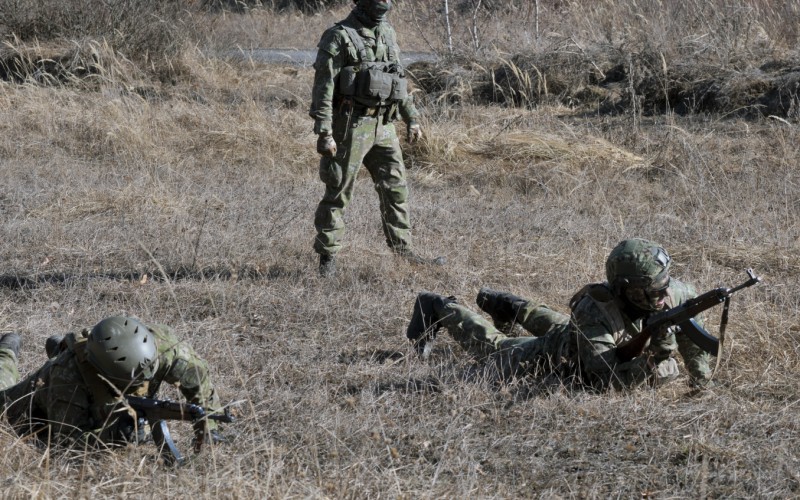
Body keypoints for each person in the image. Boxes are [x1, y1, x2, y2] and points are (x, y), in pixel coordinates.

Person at [405, 238, 715, 390]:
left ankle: (508, 305)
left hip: (587, 334)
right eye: (652, 289)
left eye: (664, 284)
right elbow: (604, 379)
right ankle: (437, 306)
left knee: (564, 325)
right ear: (624, 289)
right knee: (495, 348)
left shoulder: (673, 293)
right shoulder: (594, 311)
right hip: (562, 354)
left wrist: (701, 381)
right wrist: (658, 356)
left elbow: (693, 337)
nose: (663, 295)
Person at [309, 0, 444, 277]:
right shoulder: (338, 36)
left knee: (396, 189)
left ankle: (403, 251)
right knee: (338, 191)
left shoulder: (388, 33)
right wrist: (324, 132)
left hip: (384, 125)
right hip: (349, 126)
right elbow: (324, 88)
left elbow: (398, 78)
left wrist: (411, 117)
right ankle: (327, 258)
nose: (382, 9)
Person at [0, 316, 226, 448]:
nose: (140, 385)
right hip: (46, 392)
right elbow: (66, 442)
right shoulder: (66, 378)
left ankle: (62, 345)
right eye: (132, 382)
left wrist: (208, 429)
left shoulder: (166, 348)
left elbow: (199, 382)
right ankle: (7, 351)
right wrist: (112, 436)